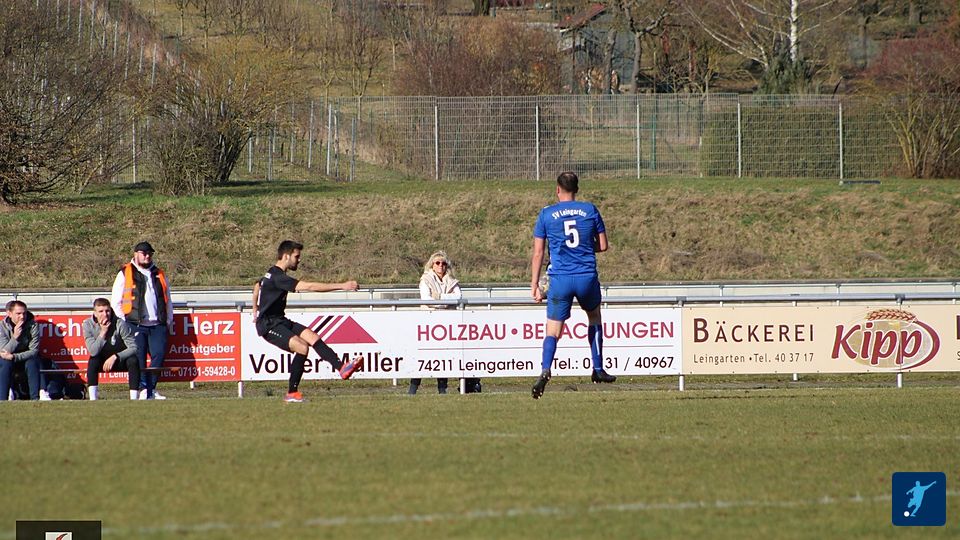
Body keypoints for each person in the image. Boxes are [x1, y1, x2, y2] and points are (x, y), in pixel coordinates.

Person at [530, 171, 616, 399]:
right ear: (577, 189)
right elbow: (603, 245)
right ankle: (598, 368)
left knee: (553, 330)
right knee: (594, 317)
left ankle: (545, 369)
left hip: (560, 279)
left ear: (557, 189)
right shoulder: (589, 210)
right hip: (586, 277)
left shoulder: (547, 214)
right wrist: (584, 248)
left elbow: (538, 253)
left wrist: (534, 284)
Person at [253, 240, 364, 402]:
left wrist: (255, 309)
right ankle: (292, 393)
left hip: (279, 320)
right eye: (296, 256)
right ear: (286, 256)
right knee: (302, 347)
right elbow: (310, 287)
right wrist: (342, 285)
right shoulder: (279, 277)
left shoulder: (272, 273)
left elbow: (257, 285)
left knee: (312, 337)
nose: (299, 260)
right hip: (268, 325)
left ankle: (341, 368)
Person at [111, 241, 173, 400]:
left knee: (158, 355)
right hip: (135, 323)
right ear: (135, 254)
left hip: (157, 324)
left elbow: (167, 298)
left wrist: (168, 320)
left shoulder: (159, 273)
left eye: (149, 253)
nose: (147, 256)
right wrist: (124, 321)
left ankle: (150, 388)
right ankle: (143, 388)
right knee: (139, 358)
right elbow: (116, 301)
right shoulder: (125, 272)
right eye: (144, 253)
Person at [411, 251, 471, 395]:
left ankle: (442, 389)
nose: (440, 266)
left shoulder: (452, 280)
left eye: (443, 263)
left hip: (446, 325)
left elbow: (458, 297)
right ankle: (412, 389)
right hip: (428, 325)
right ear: (432, 264)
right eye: (437, 263)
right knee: (423, 358)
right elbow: (426, 299)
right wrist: (446, 302)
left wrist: (438, 297)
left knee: (444, 358)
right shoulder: (425, 279)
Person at [83, 298, 140, 401]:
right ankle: (93, 399)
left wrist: (116, 356)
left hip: (119, 359)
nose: (105, 314)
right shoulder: (88, 324)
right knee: (93, 361)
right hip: (102, 360)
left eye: (107, 311)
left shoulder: (119, 323)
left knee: (133, 360)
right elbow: (93, 351)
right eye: (101, 311)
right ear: (95, 313)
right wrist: (103, 333)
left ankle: (134, 398)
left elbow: (134, 347)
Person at [0, 300, 42, 401]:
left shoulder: (33, 325)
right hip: (7, 358)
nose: (22, 316)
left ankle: (35, 399)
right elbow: (4, 351)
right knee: (5, 363)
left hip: (24, 357)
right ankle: (2, 399)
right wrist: (15, 337)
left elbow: (34, 351)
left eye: (24, 313)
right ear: (9, 314)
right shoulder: (2, 327)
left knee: (33, 362)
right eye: (18, 313)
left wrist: (15, 357)